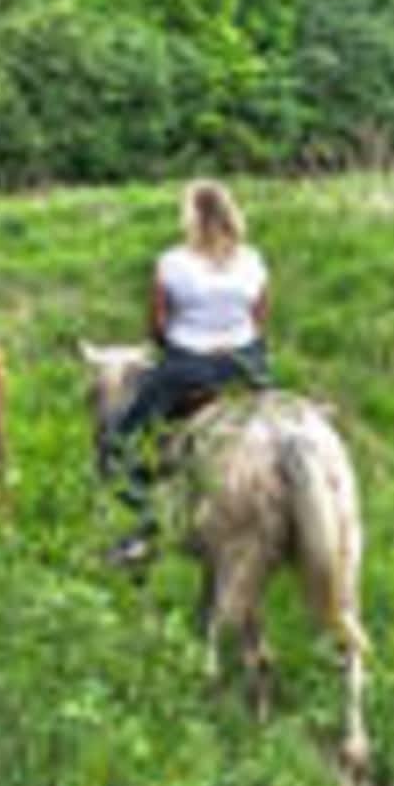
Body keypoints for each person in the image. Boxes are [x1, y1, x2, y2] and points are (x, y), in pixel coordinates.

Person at [101, 179, 273, 565]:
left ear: (190, 218)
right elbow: (260, 321)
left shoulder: (172, 262)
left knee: (118, 444)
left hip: (188, 367)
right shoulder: (254, 260)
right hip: (246, 366)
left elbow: (157, 326)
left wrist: (181, 347)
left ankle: (147, 525)